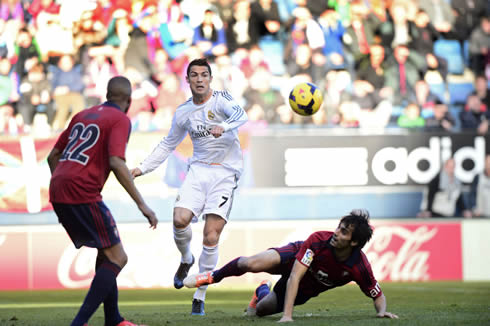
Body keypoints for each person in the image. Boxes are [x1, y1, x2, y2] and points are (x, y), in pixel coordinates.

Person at [131, 58, 248, 316]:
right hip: (198, 171)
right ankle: (186, 258)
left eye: (204, 75)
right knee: (180, 218)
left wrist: (225, 126)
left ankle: (200, 294)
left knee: (210, 235)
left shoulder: (221, 99)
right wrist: (142, 167)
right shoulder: (183, 112)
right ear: (188, 80)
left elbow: (242, 114)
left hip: (226, 173)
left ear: (210, 78)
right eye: (194, 75)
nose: (199, 79)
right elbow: (168, 144)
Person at [47, 76, 158, 326]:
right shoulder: (120, 119)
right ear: (129, 101)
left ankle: (114, 320)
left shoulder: (82, 115)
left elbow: (53, 156)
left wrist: (63, 185)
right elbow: (116, 161)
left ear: (107, 94)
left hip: (58, 187)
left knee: (105, 252)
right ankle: (79, 323)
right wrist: (143, 205)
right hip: (82, 191)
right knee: (119, 257)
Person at [184, 209, 398, 322]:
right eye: (338, 227)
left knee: (261, 311)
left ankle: (261, 290)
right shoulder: (318, 240)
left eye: (343, 232)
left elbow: (377, 294)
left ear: (353, 242)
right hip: (295, 257)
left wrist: (381, 312)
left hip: (306, 288)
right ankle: (213, 276)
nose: (336, 232)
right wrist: (287, 316)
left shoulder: (358, 266)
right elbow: (295, 275)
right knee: (251, 263)